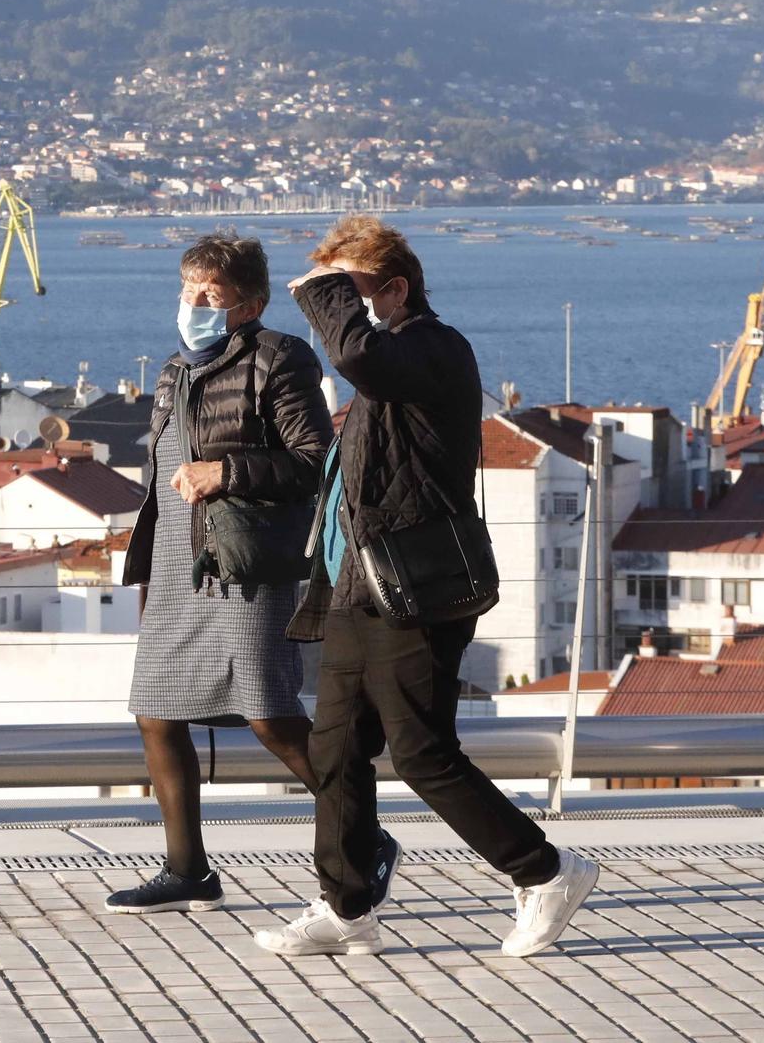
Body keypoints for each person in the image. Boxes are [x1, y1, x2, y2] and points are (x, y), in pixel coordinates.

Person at [256, 214, 597, 958]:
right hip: (357, 584)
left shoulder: (432, 349)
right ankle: (346, 907)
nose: (330, 308)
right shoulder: (388, 361)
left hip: (417, 585)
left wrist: (326, 295)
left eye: (348, 291)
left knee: (421, 751)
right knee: (336, 749)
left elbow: (355, 354)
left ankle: (546, 870)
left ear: (396, 288)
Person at [109, 233, 366, 915]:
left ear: (249, 303)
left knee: (271, 717)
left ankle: (362, 837)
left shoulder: (280, 358)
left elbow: (314, 459)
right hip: (175, 567)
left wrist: (227, 473)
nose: (191, 304)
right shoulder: (172, 371)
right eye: (185, 290)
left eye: (209, 295)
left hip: (243, 562)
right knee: (157, 714)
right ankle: (187, 869)